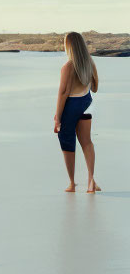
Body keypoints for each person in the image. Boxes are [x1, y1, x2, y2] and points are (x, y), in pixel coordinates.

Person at [54, 31, 100, 193]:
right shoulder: (90, 63)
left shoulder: (68, 66)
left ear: (69, 46)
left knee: (67, 142)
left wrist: (57, 117)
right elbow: (94, 87)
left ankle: (72, 184)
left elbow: (63, 93)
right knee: (87, 142)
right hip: (87, 103)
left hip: (71, 106)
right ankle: (91, 181)